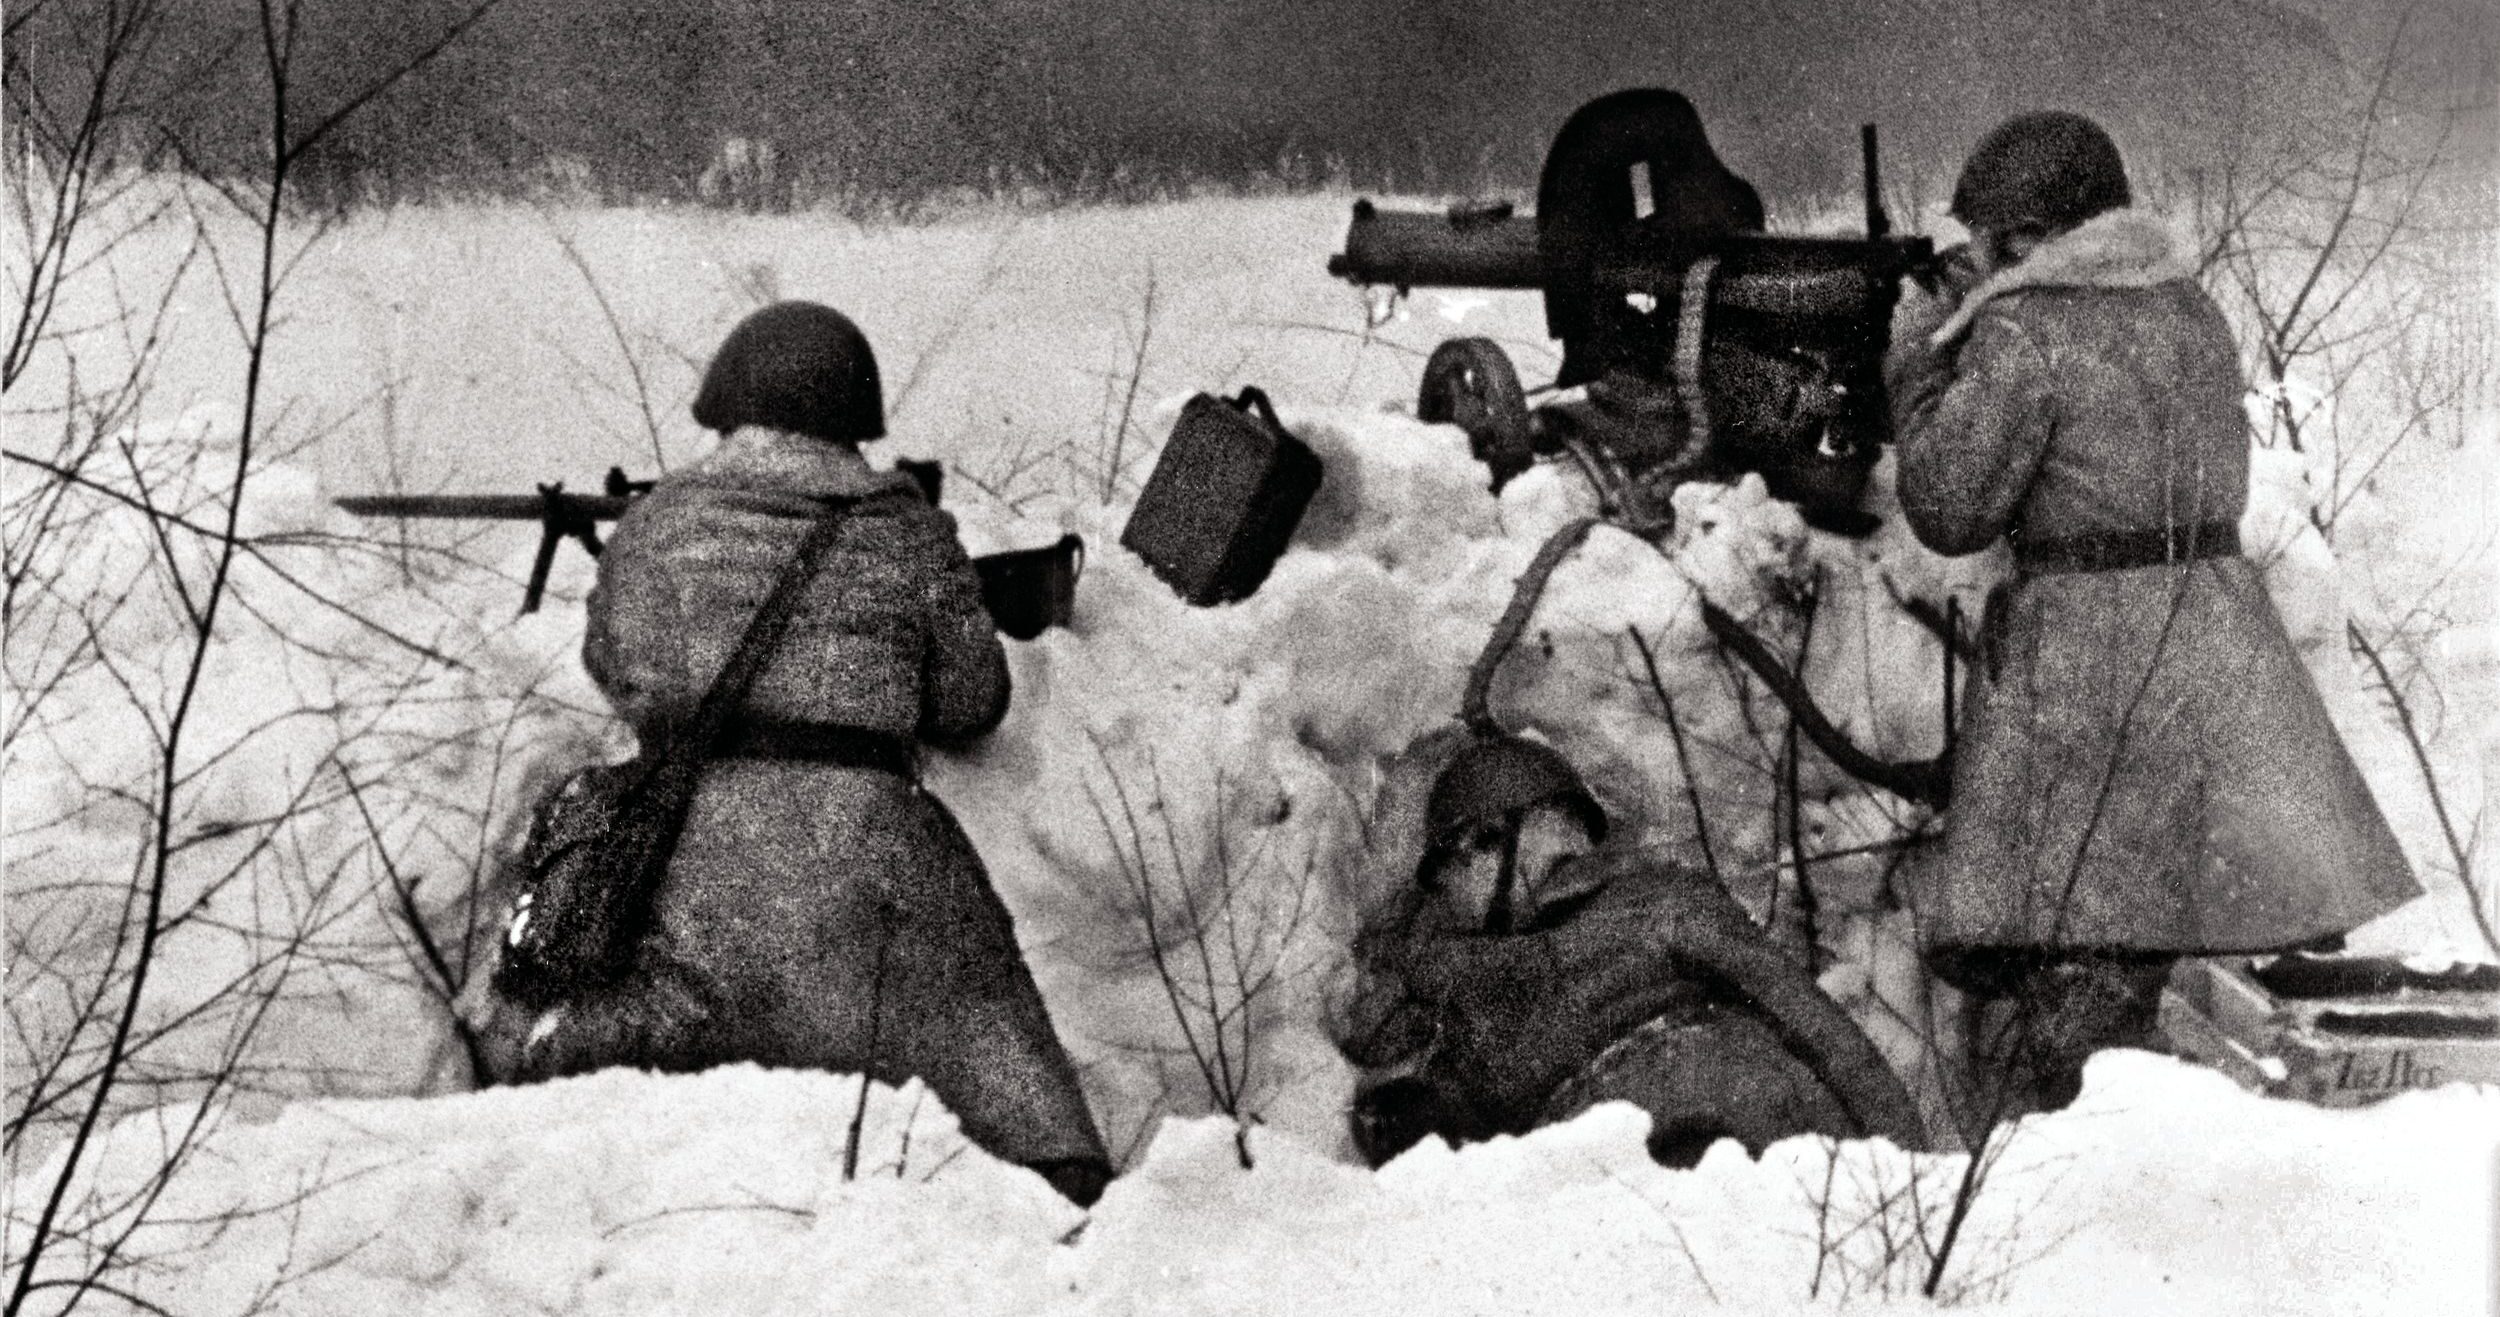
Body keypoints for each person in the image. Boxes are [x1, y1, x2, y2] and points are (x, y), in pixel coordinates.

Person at [502, 301, 1113, 1206]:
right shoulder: (907, 529)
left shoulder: (659, 521)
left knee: (592, 1115)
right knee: (994, 1045)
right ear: (855, 414)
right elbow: (972, 700)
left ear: (728, 400)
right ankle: (1068, 1194)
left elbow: (615, 666)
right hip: (869, 846)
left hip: (687, 849)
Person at [1884, 113, 2420, 1138]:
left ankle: (2101, 1172)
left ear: (2027, 235)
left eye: (1990, 240)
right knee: (2234, 961)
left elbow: (1950, 509)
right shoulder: (2189, 306)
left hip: (2090, 659)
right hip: (2220, 638)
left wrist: (1918, 365)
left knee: (2085, 972)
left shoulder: (2024, 328)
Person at [1333, 731, 1928, 1167]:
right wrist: (1414, 1109)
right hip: (1612, 1186)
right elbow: (1466, 1131)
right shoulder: (1467, 991)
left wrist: (1911, 1173)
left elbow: (1810, 1021)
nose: (1453, 900)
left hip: (1752, 1135)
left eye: (1454, 874)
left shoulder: (1659, 902)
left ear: (1496, 840)